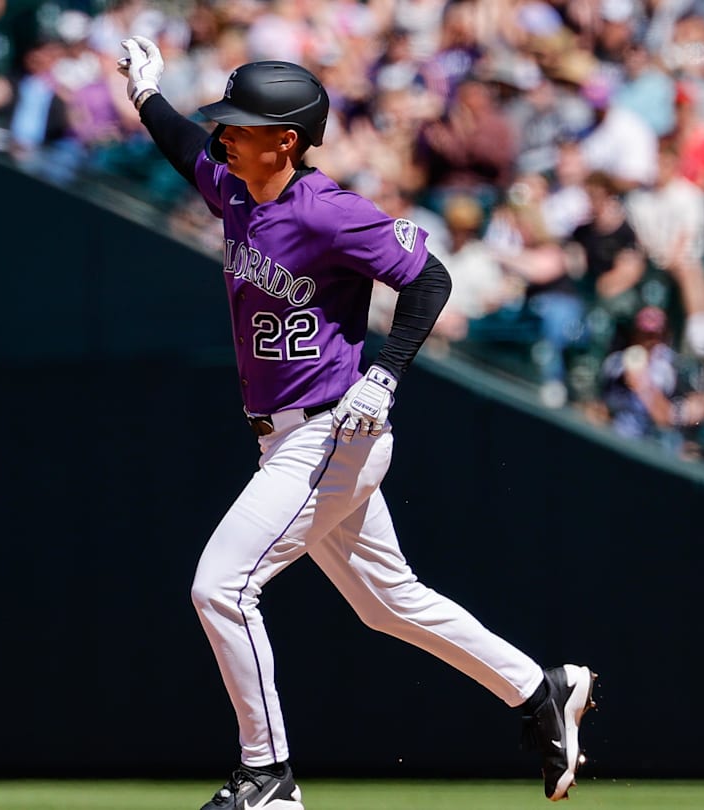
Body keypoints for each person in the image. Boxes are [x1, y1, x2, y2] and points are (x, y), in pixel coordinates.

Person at [116, 37, 596, 810]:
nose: (222, 134)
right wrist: (146, 95)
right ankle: (540, 690)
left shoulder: (327, 210)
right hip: (287, 437)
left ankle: (268, 776)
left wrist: (386, 371)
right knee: (388, 600)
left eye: (239, 125)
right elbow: (182, 147)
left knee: (221, 588)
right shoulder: (237, 190)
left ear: (287, 141)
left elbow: (429, 279)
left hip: (330, 433)